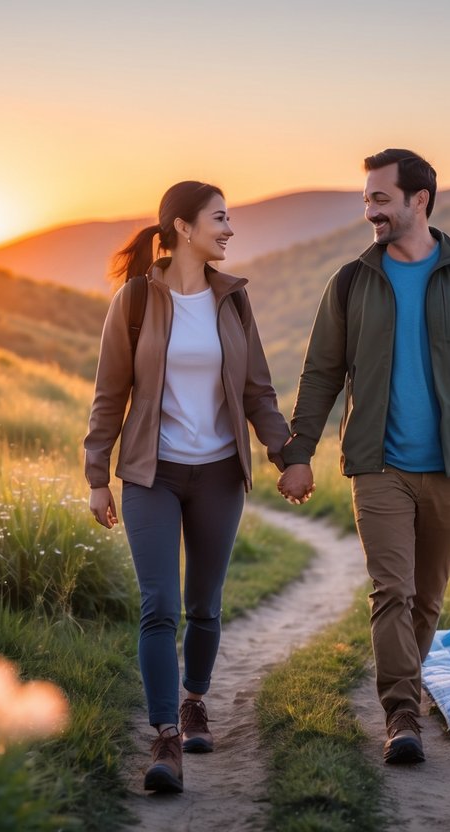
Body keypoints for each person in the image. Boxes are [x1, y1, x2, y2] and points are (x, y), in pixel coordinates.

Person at [277, 149, 450, 764]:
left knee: (427, 600)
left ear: (420, 199)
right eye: (366, 199)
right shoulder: (352, 282)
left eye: (380, 199)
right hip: (377, 465)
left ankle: (403, 691)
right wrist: (298, 453)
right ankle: (402, 717)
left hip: (449, 469)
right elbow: (320, 373)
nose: (370, 211)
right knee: (393, 592)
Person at [84, 181, 296, 793]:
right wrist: (98, 477)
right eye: (220, 218)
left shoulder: (232, 301)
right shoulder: (134, 303)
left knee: (204, 605)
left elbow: (258, 390)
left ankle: (195, 701)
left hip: (220, 474)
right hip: (152, 473)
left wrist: (285, 455)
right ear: (182, 227)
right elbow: (109, 396)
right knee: (160, 608)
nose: (229, 230)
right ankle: (165, 738)